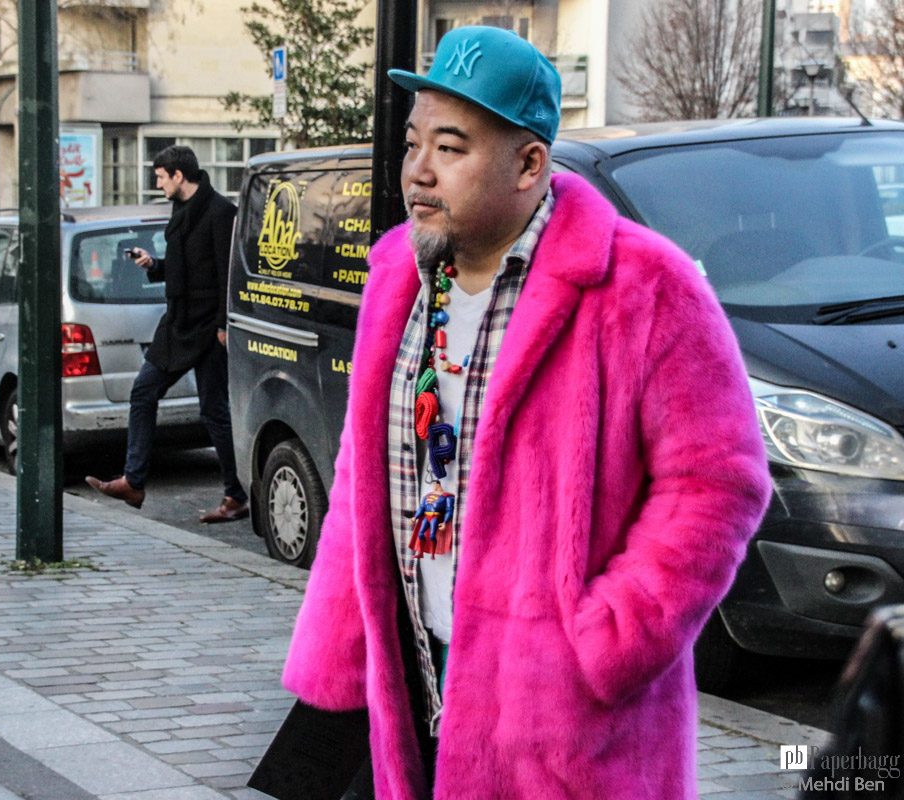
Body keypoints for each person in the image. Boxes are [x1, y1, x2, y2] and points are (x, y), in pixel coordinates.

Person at [278, 27, 772, 799]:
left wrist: (604, 643)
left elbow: (719, 482)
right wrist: (338, 652)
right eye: (414, 144)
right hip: (412, 673)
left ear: (529, 164)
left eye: (451, 147)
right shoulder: (396, 279)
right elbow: (360, 478)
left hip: (565, 724)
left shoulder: (644, 285)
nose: (419, 172)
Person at [86, 145, 249, 524]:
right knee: (144, 391)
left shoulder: (220, 212)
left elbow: (227, 273)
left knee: (214, 411)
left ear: (179, 176)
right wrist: (154, 265)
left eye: (161, 177)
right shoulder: (181, 210)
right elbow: (185, 264)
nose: (157, 183)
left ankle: (236, 496)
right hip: (177, 322)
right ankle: (134, 481)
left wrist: (224, 324)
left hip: (208, 325)